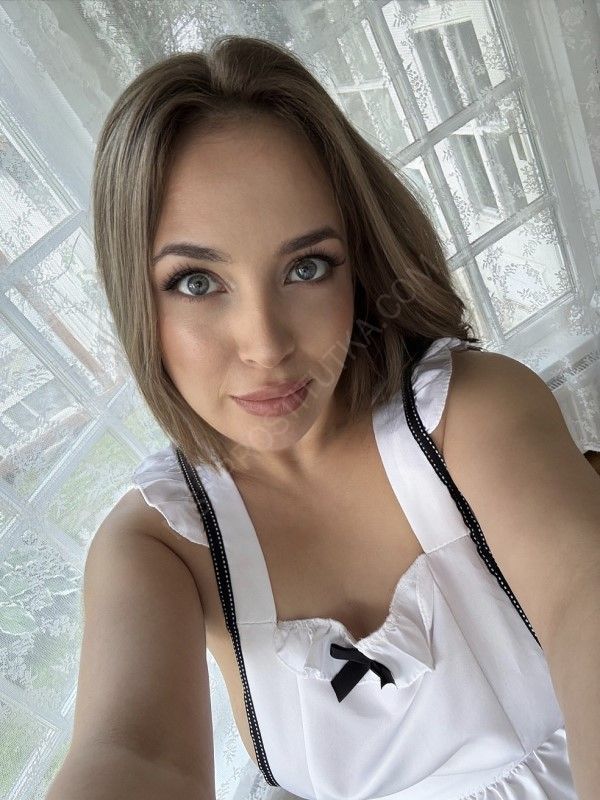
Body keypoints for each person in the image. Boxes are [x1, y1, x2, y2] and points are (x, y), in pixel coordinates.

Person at [50, 35, 582, 800]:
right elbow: (133, 755)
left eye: (306, 267)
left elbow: (584, 598)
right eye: (197, 282)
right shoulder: (160, 546)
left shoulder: (470, 412)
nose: (266, 345)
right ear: (137, 297)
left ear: (358, 268)